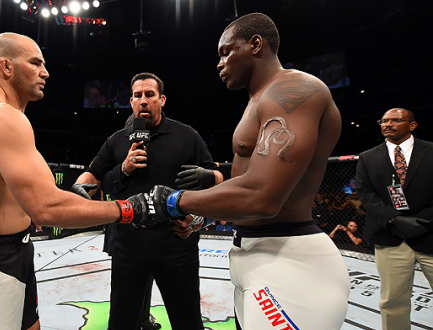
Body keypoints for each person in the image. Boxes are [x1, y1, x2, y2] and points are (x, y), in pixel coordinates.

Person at [0, 33, 155, 330]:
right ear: (6, 66)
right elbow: (46, 208)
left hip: (12, 252)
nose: (45, 72)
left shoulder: (8, 117)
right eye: (35, 63)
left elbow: (36, 197)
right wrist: (131, 208)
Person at [146, 13, 349, 330]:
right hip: (253, 253)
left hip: (291, 260)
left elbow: (262, 196)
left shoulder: (294, 90)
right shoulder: (259, 99)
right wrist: (202, 214)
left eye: (226, 51)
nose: (220, 63)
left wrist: (175, 201)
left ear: (256, 45)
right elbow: (246, 184)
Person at [73, 72, 223, 330]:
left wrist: (210, 176)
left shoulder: (186, 135)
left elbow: (217, 179)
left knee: (187, 321)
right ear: (131, 102)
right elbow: (94, 175)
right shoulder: (118, 140)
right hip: (129, 247)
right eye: (137, 96)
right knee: (122, 322)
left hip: (176, 245)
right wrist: (96, 179)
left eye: (149, 95)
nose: (143, 100)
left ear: (162, 100)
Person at [354, 107, 433, 330]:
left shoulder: (431, 151)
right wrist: (396, 220)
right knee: (392, 301)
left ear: (412, 125)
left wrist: (421, 222)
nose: (387, 124)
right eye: (384, 121)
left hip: (430, 232)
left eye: (395, 120)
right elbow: (365, 193)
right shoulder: (368, 157)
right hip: (389, 235)